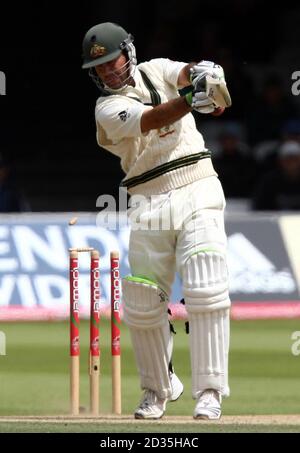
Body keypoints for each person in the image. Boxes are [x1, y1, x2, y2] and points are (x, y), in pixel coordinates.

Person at [82, 22, 231, 420]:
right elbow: (152, 118)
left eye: (112, 63)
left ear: (127, 52)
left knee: (205, 281)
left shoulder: (157, 67)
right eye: (100, 70)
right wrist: (193, 97)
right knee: (143, 301)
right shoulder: (107, 109)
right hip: (146, 198)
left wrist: (206, 74)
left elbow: (186, 74)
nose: (109, 73)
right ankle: (155, 391)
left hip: (197, 183)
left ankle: (211, 392)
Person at [252, 141, 300, 210]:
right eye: (288, 159)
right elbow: (259, 205)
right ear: (280, 161)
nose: (291, 163)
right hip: (273, 219)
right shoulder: (269, 181)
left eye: (294, 159)